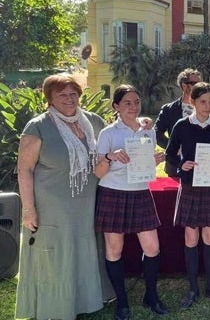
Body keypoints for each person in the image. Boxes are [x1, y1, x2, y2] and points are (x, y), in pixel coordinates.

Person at [15, 74, 107, 320]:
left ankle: (83, 301)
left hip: (87, 202)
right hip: (51, 204)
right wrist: (28, 209)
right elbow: (24, 169)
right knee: (54, 255)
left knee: (84, 250)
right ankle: (54, 306)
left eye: (73, 93)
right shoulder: (38, 125)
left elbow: (110, 148)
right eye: (62, 95)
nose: (69, 99)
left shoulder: (94, 121)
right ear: (50, 98)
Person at [95, 85, 168, 320]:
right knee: (114, 250)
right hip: (113, 193)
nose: (133, 107)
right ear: (116, 107)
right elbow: (98, 172)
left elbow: (146, 166)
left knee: (152, 248)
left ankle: (151, 296)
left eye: (136, 102)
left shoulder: (148, 130)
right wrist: (110, 156)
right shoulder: (107, 133)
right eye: (127, 102)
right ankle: (122, 302)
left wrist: (155, 160)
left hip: (140, 193)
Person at [165, 82, 210, 309]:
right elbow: (170, 154)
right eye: (203, 101)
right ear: (192, 101)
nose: (208, 106)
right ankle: (193, 288)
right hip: (190, 187)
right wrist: (183, 164)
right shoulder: (182, 126)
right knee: (191, 238)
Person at [154, 68, 202, 176]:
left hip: (201, 164)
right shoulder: (168, 109)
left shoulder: (207, 108)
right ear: (184, 86)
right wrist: (173, 147)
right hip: (175, 165)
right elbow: (156, 133)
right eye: (195, 83)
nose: (200, 87)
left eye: (201, 83)